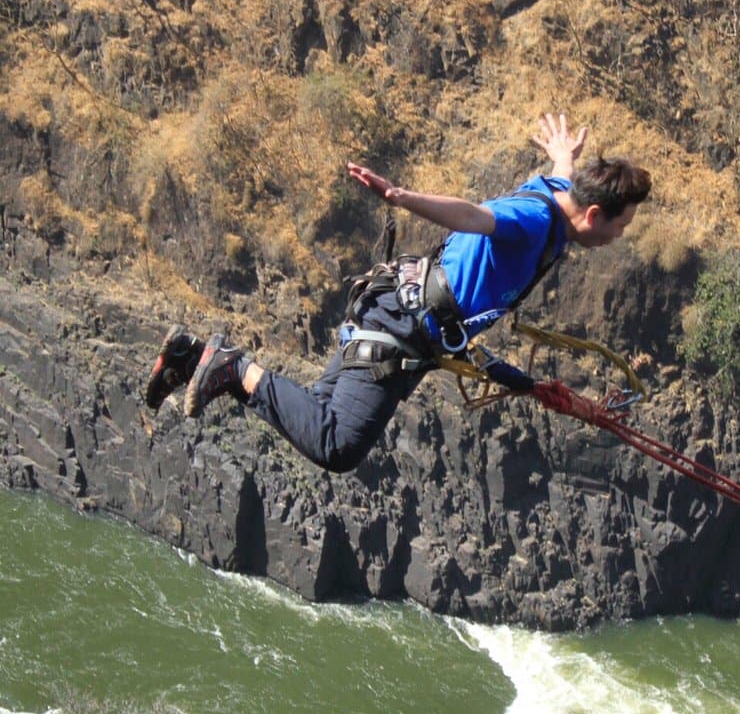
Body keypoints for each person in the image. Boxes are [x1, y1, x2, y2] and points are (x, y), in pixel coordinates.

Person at [144, 115, 651, 474]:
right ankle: (231, 365)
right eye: (620, 226)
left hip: (397, 307)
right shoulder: (537, 220)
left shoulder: (559, 194)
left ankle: (193, 359)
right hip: (402, 330)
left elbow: (564, 175)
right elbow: (473, 216)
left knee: (317, 410)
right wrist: (402, 198)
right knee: (335, 444)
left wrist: (564, 154)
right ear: (592, 216)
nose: (619, 236)